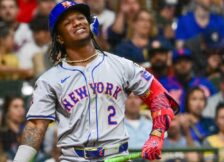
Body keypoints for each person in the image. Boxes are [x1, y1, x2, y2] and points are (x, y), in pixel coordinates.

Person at [13, 1, 179, 161]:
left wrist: (156, 136)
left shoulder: (121, 65)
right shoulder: (48, 80)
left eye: (80, 18)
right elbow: (36, 125)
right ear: (60, 38)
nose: (77, 23)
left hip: (117, 156)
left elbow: (160, 97)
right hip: (74, 158)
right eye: (68, 22)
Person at [160, 48, 217, 112]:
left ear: (192, 63)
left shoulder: (205, 83)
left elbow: (216, 103)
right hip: (173, 120)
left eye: (186, 61)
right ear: (173, 65)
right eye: (179, 61)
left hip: (202, 120)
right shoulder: (163, 84)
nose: (183, 65)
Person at [0, 95, 25, 160]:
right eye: (15, 107)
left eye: (22, 106)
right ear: (7, 111)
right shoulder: (1, 134)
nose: (20, 110)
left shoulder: (29, 130)